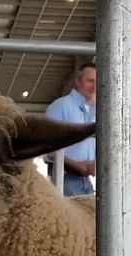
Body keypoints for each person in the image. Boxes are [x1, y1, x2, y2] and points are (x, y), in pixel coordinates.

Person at [44, 62, 98, 197]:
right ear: (78, 82)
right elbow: (47, 148)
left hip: (86, 179)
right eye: (90, 81)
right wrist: (76, 165)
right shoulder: (60, 106)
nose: (94, 86)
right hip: (64, 176)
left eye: (97, 81)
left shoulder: (97, 109)